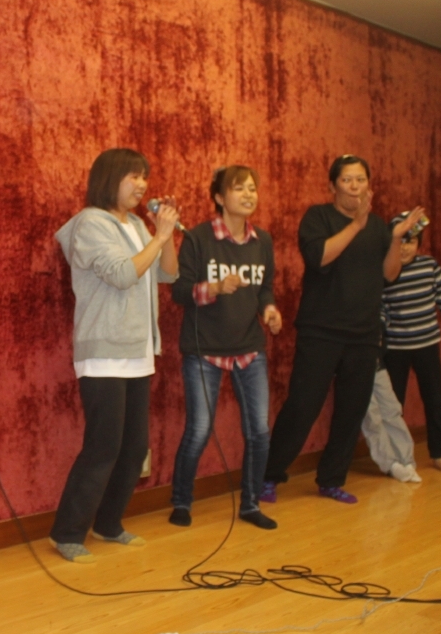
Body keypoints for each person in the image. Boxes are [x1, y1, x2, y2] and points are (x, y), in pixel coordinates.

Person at [261, 155, 423, 505]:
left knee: (352, 412)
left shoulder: (378, 226)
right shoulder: (318, 217)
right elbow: (319, 257)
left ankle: (331, 480)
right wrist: (355, 225)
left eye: (360, 180)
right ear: (332, 186)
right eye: (347, 180)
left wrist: (395, 238)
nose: (354, 186)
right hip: (320, 331)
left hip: (364, 336)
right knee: (302, 406)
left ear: (369, 185)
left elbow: (389, 274)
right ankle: (268, 475)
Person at [49, 148, 180, 564]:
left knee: (134, 447)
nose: (142, 185)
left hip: (138, 349)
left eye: (144, 177)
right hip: (105, 350)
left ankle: (108, 523)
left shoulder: (138, 225)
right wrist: (159, 237)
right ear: (109, 179)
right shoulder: (90, 223)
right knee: (103, 445)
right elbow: (123, 274)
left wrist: (164, 234)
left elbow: (168, 273)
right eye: (133, 177)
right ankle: (67, 532)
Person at [169, 165, 281, 530]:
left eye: (252, 188)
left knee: (259, 431)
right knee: (200, 430)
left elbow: (265, 288)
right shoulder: (198, 238)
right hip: (205, 350)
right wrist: (214, 288)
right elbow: (179, 292)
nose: (248, 195)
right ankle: (181, 502)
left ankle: (250, 504)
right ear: (219, 197)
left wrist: (269, 310)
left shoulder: (262, 241)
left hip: (250, 348)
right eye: (239, 189)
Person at [381, 212, 441, 474]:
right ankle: (395, 457)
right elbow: (380, 306)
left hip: (427, 344)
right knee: (394, 405)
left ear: (419, 243)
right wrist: (379, 330)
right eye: (401, 241)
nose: (405, 247)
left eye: (412, 241)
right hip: (396, 348)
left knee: (434, 399)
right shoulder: (386, 270)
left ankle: (438, 453)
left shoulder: (429, 266)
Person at [362, 317, 421, 483]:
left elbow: (382, 317)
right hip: (356, 369)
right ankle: (390, 465)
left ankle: (407, 461)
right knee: (371, 417)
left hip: (377, 366)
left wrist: (379, 342)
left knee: (392, 410)